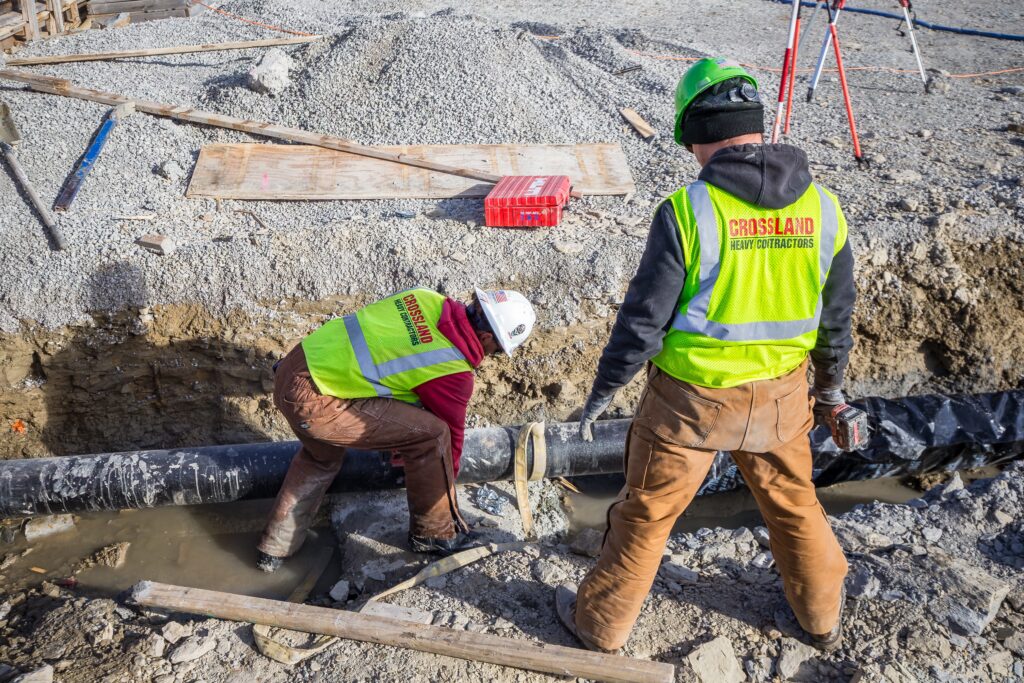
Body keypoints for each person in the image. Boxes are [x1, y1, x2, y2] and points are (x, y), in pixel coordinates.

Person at [556, 57, 855, 653]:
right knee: (796, 507)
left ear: (692, 131)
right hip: (780, 398)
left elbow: (643, 322)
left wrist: (602, 392)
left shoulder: (689, 211)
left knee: (646, 515)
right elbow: (836, 317)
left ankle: (600, 627)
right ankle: (820, 619)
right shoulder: (822, 207)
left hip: (689, 403)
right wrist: (830, 390)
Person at [257, 286, 536, 570]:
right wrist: (444, 488)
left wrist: (398, 435)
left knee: (320, 459)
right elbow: (449, 441)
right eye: (498, 350)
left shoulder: (425, 297)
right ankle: (433, 535)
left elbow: (385, 351)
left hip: (297, 367)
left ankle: (274, 550)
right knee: (432, 436)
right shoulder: (453, 371)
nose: (493, 355)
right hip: (318, 403)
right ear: (487, 337)